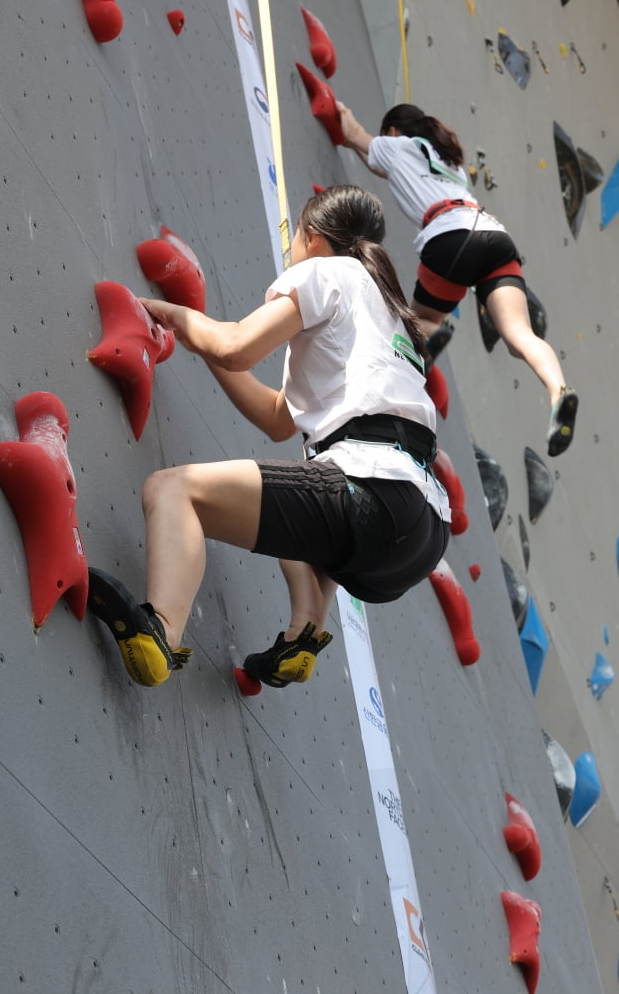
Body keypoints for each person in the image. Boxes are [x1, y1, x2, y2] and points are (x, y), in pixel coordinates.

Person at [87, 185, 451, 689]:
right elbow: (279, 417)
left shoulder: (327, 271)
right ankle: (305, 629)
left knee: (171, 490)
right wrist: (206, 342)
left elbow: (234, 346)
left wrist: (171, 314)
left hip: (373, 491)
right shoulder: (392, 315)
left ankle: (161, 630)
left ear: (314, 239)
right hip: (420, 534)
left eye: (294, 240)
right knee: (301, 508)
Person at [337, 102, 578, 457]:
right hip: (494, 235)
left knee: (421, 321)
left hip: (451, 236)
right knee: (518, 336)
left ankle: (436, 331)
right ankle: (559, 390)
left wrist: (341, 112)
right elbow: (386, 168)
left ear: (392, 131)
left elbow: (353, 135)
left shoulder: (395, 145)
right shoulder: (451, 165)